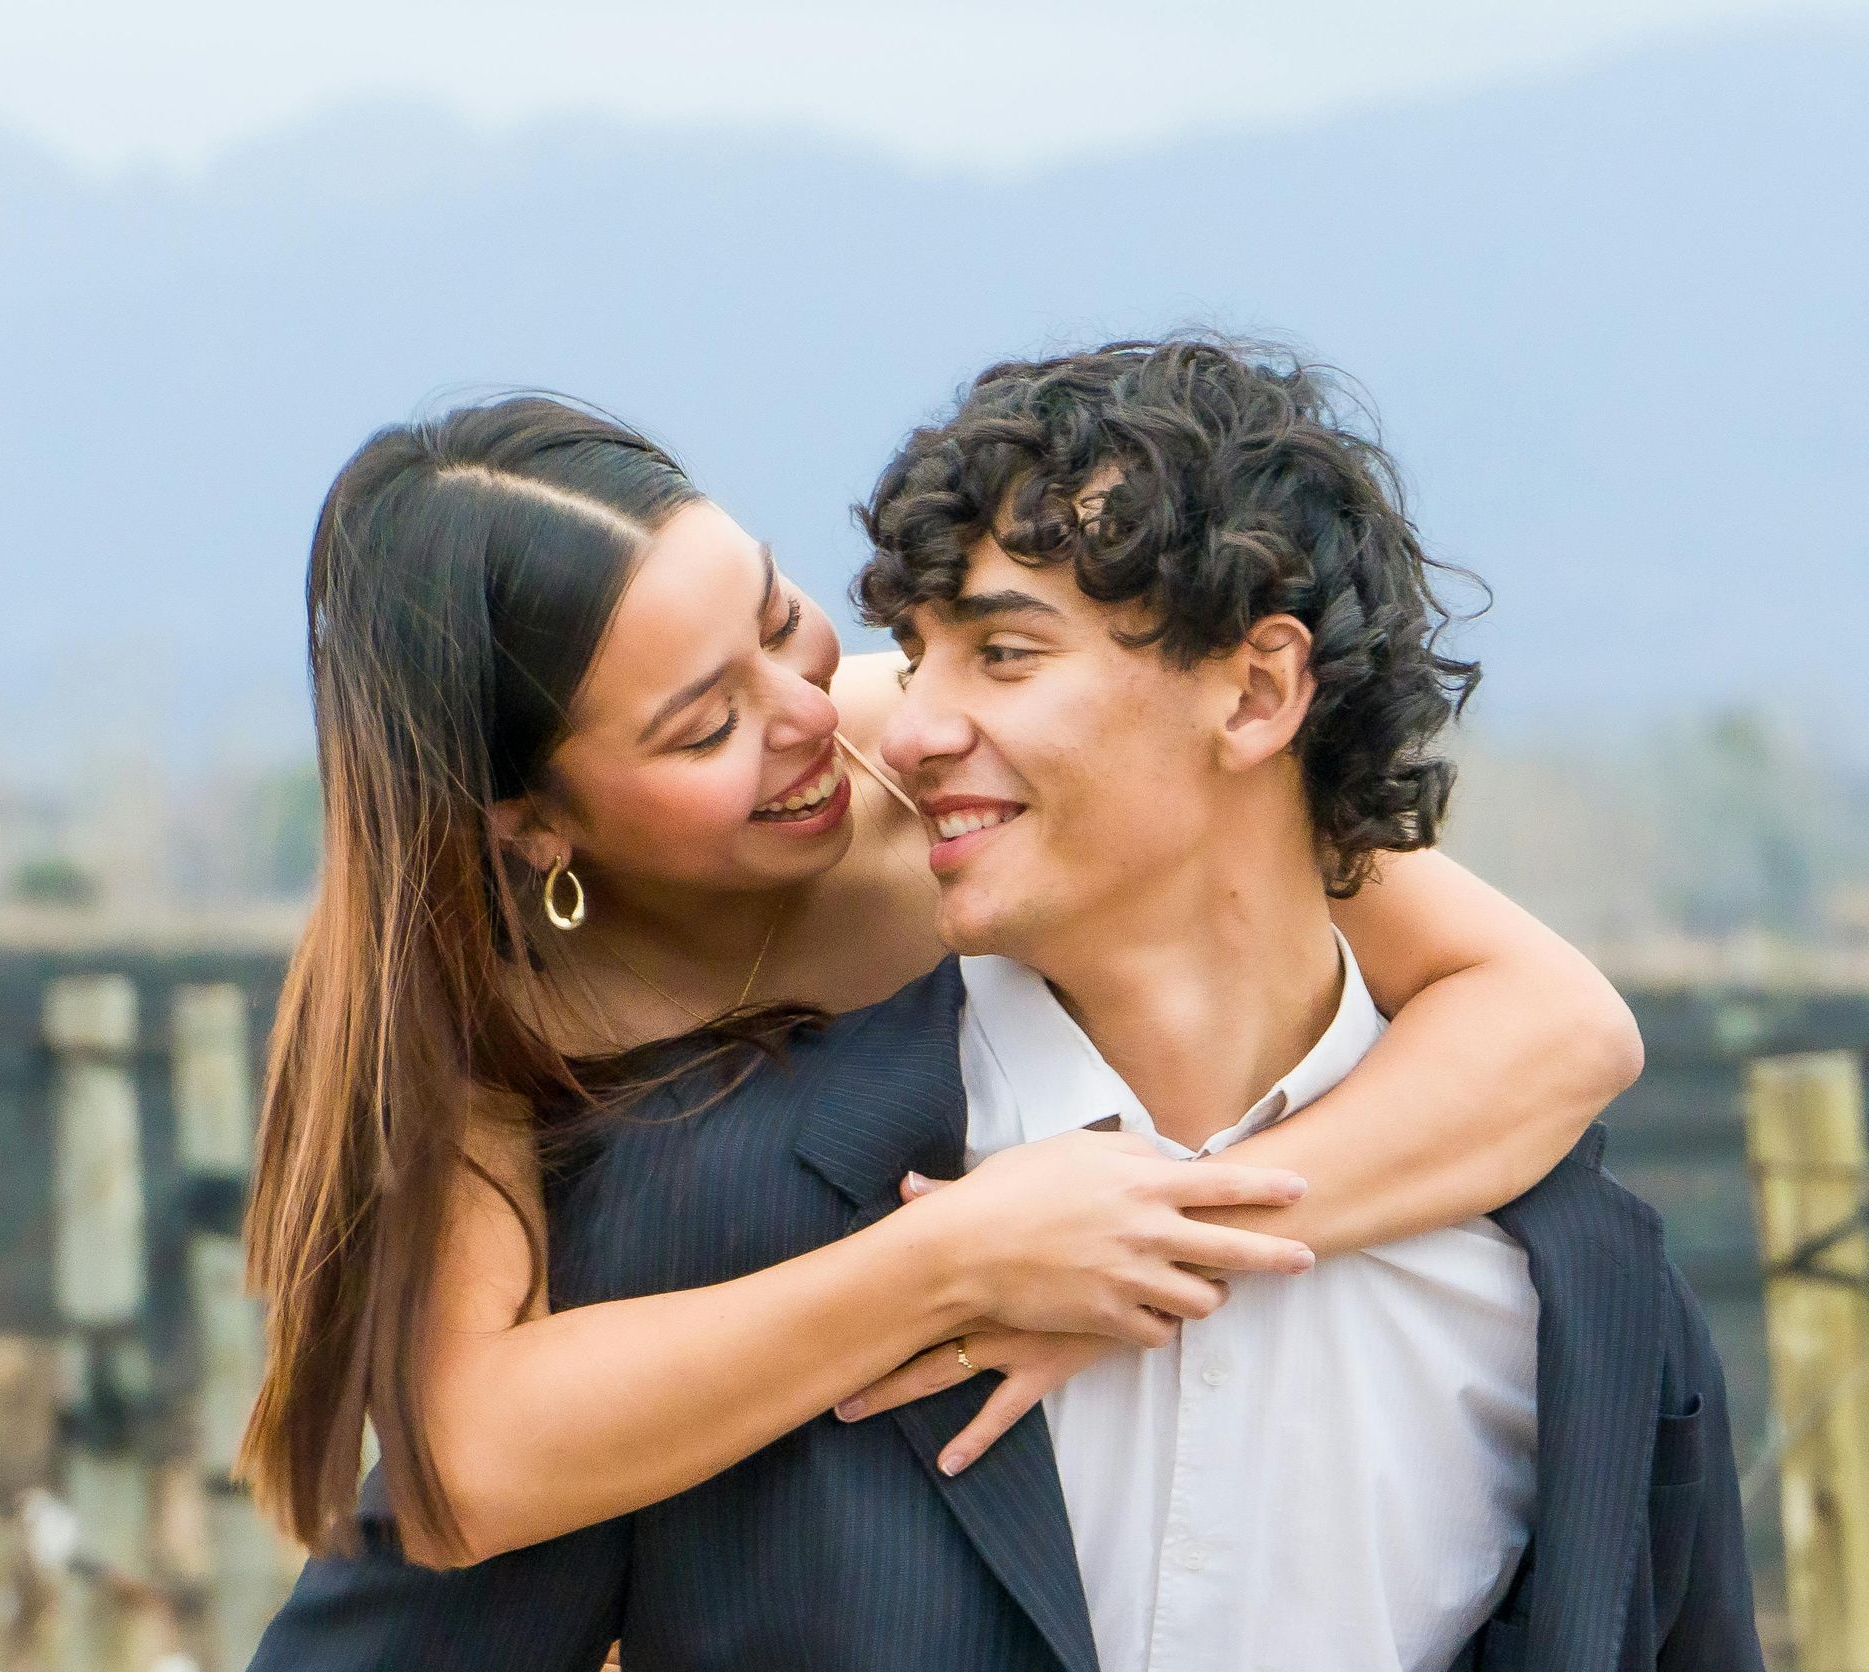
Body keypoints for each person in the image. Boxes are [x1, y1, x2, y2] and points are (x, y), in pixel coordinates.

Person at [251, 340, 1755, 1672]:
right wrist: (956, 1262)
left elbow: (1557, 1022)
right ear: (534, 825)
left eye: (787, 623)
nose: (838, 724)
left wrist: (1168, 1240)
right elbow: (468, 1465)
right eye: (704, 724)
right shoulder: (507, 1032)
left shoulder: (938, 747)